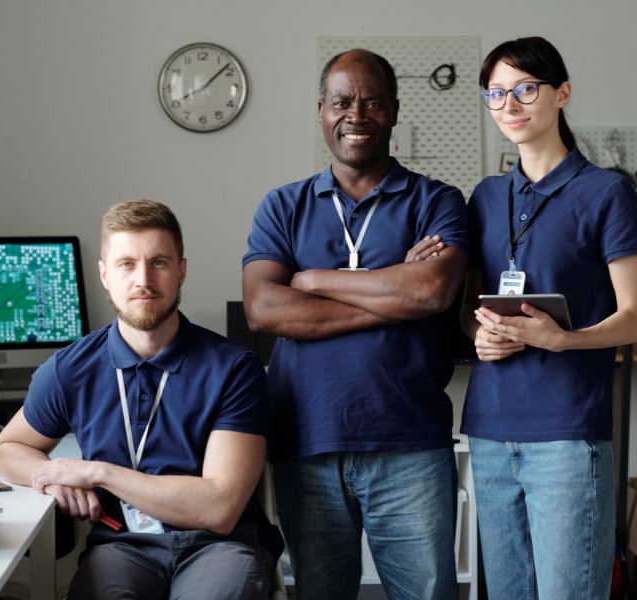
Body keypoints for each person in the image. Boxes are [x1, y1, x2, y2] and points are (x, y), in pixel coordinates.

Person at [242, 48, 470, 600]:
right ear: (321, 110)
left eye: (372, 102)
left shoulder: (437, 201)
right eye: (343, 102)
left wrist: (312, 279)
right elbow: (264, 309)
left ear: (393, 111)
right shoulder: (283, 207)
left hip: (410, 444)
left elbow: (433, 290)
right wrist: (394, 292)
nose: (357, 114)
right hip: (307, 443)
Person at [0, 200, 277, 600]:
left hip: (218, 545)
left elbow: (219, 508)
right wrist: (51, 477)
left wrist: (98, 473)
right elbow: (11, 446)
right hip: (122, 545)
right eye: (127, 264)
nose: (143, 279)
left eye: (158, 262)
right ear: (104, 275)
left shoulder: (234, 368)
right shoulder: (69, 369)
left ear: (181, 271)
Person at [458, 37, 637, 599]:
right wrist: (479, 338)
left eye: (525, 89)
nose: (509, 106)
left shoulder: (606, 192)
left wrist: (562, 339)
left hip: (567, 435)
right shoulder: (486, 197)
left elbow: (635, 318)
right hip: (490, 432)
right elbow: (470, 308)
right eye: (496, 93)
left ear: (561, 93)